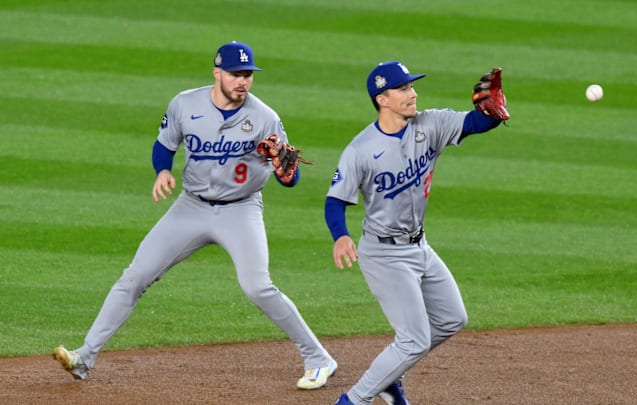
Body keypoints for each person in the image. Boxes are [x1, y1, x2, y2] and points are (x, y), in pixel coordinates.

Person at [52, 41, 337, 390]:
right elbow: (164, 144)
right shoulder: (185, 104)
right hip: (191, 207)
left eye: (248, 75)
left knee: (258, 287)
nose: (242, 82)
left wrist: (284, 169)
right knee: (135, 276)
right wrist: (162, 171)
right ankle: (84, 357)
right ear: (217, 72)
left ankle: (318, 358)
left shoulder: (265, 117)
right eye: (235, 74)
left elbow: (290, 179)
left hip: (240, 210)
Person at [326, 61, 509, 404]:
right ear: (383, 99)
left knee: (453, 318)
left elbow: (474, 122)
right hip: (384, 254)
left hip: (419, 246)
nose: (413, 94)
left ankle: (390, 378)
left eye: (412, 87)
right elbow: (334, 202)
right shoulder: (361, 149)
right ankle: (354, 400)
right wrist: (340, 235)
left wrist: (493, 113)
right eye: (405, 89)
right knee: (413, 339)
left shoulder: (430, 124)